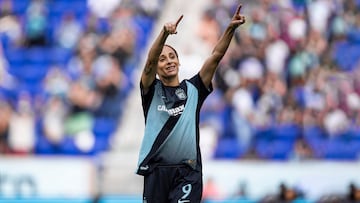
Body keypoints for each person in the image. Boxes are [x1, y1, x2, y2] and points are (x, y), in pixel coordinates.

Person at [136, 3, 246, 203]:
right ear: (157, 67)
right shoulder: (151, 91)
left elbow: (215, 57)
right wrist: (163, 35)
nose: (168, 61)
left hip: (187, 172)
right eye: (162, 59)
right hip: (156, 171)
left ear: (179, 63)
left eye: (172, 57)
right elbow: (149, 63)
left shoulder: (194, 89)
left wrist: (230, 29)